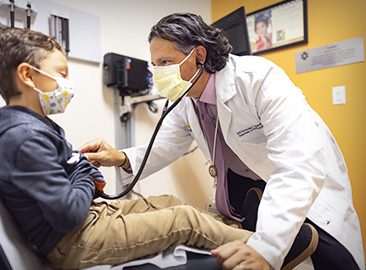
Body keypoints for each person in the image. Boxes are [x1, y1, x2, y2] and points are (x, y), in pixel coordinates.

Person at [79, 13, 365, 270]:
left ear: (199, 55)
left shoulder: (258, 79)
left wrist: (267, 249)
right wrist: (122, 158)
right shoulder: (186, 98)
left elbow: (298, 165)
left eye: (165, 62)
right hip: (246, 189)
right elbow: (167, 144)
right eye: (155, 65)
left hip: (303, 187)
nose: (159, 73)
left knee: (332, 258)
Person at [0, 27, 267, 270]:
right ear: (28, 76)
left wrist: (83, 170)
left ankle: (237, 232)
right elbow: (69, 212)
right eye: (61, 73)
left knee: (169, 201)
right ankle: (269, 251)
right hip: (74, 240)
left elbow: (72, 178)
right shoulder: (22, 137)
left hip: (90, 218)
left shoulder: (34, 125)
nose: (67, 83)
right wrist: (83, 174)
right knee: (186, 220)